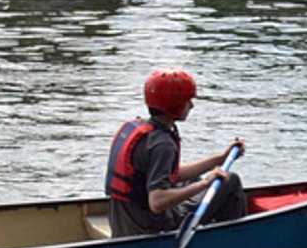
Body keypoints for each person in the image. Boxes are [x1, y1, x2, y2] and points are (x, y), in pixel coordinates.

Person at [105, 68, 246, 238]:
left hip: (124, 222)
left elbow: (173, 173)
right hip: (150, 227)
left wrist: (220, 158)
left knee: (192, 179)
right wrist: (204, 184)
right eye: (188, 101)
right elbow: (157, 202)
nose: (192, 105)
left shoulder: (144, 131)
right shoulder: (163, 144)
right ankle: (234, 239)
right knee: (231, 181)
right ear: (175, 105)